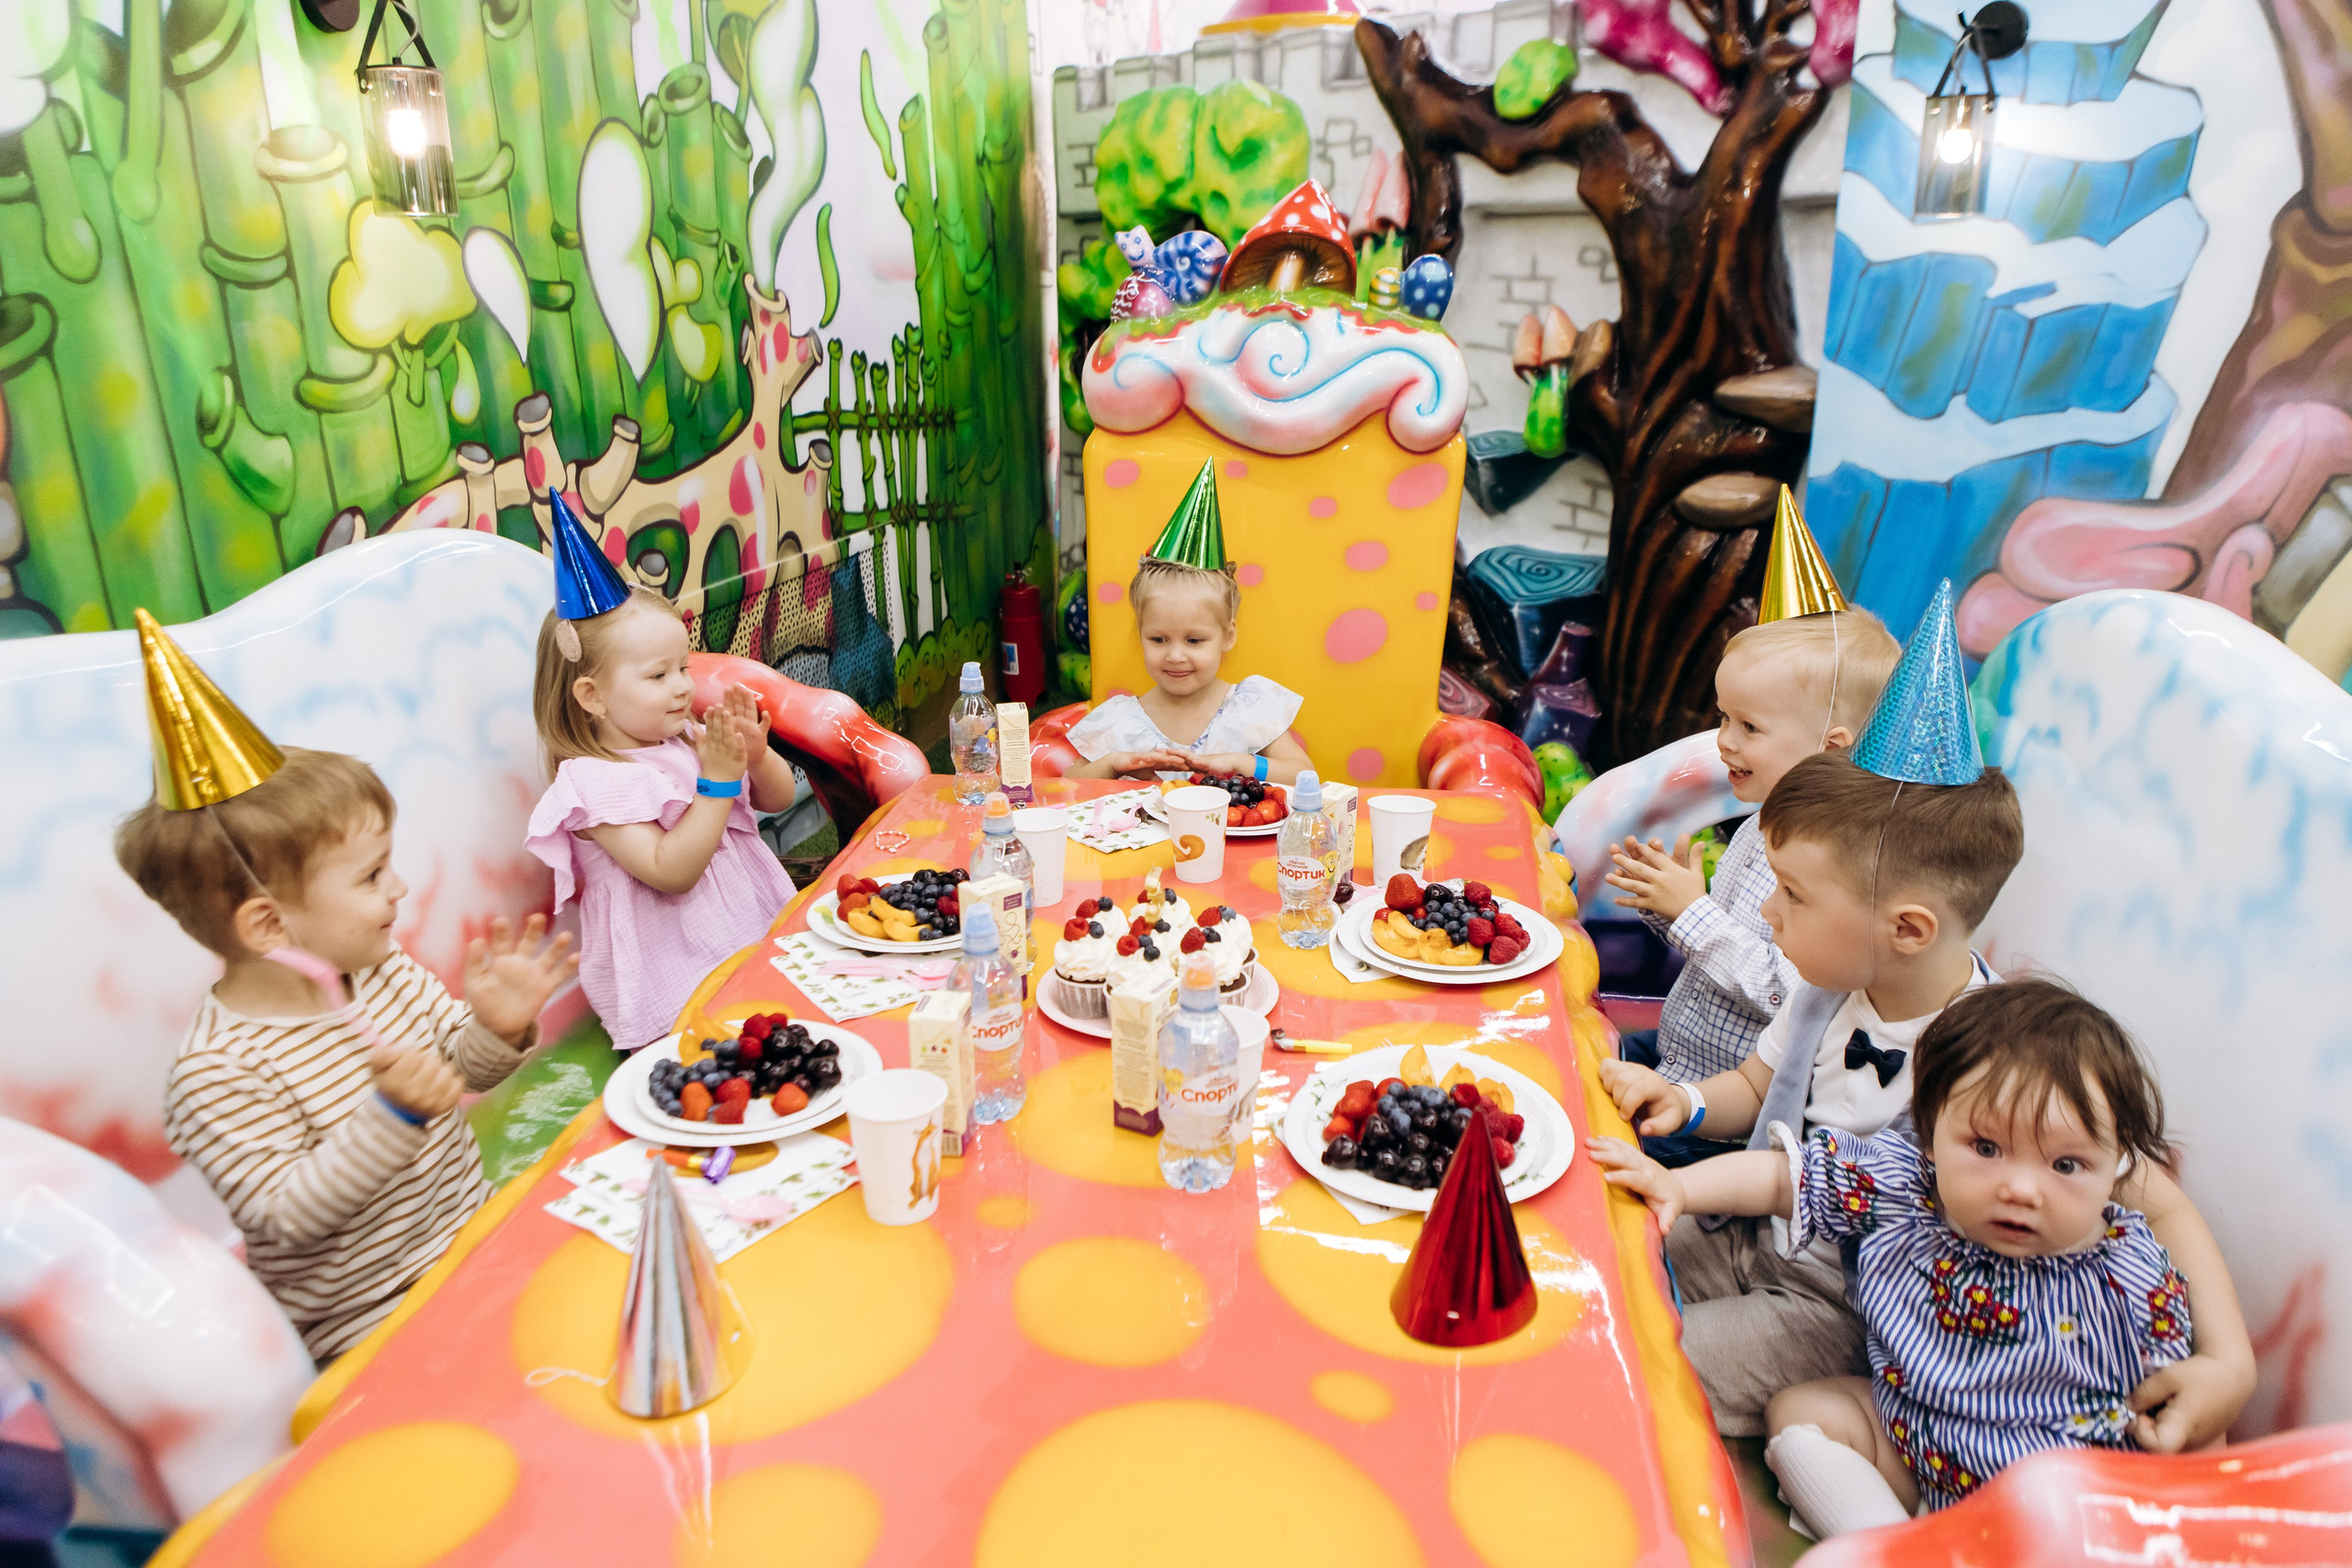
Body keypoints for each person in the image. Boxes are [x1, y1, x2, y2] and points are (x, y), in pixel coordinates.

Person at [1598, 583, 2254, 1450]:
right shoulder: (1829, 980)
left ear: (1906, 930)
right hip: (1750, 1229)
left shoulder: (1999, 1055)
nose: (1766, 915)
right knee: (1601, 1270)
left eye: (1793, 895)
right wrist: (1682, 1102)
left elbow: (2155, 1199)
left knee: (1634, 1366)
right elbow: (1760, 1084)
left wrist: (2230, 1361)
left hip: (1847, 1307)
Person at [1591, 981, 2223, 1535]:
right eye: (1986, 1146)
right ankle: (1896, 1545)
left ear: (2116, 1168)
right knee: (1803, 1411)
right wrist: (1677, 1186)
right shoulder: (1902, 1185)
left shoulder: (2130, 1275)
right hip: (1923, 1442)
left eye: (2066, 1165)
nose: (2021, 1187)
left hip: (2057, 1505)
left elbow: (2185, 1416)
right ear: (1931, 1125)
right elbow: (1784, 1178)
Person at [117, 613, 574, 1360]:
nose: (399, 888)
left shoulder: (381, 971)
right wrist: (391, 1115)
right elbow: (286, 1214)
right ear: (267, 925)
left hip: (476, 1242)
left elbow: (455, 1075)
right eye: (370, 876)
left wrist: (495, 1027)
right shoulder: (218, 1073)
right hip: (372, 1325)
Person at [1604, 609, 1901, 1167]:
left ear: (1831, 749)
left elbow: (1785, 990)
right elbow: (1724, 945)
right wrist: (1668, 902)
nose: (1723, 742)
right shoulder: (1759, 821)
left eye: (1749, 728)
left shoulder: (1830, 867)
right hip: (1679, 1058)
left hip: (1724, 1119)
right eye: (1724, 719)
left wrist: (1693, 914)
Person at [523, 575, 797, 1052]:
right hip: (672, 986)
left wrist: (755, 756)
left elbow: (779, 800)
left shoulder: (687, 740)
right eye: (658, 675)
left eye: (684, 668)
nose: (683, 688)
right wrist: (717, 781)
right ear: (593, 697)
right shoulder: (594, 783)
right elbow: (672, 871)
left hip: (743, 946)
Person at [1066, 461, 1309, 784]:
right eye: (1158, 639)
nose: (1176, 655)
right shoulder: (1119, 719)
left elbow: (1304, 775)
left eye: (1194, 641)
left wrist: (1241, 762)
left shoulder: (1248, 707)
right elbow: (1067, 786)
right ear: (1140, 635)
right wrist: (1113, 765)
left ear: (1228, 635)